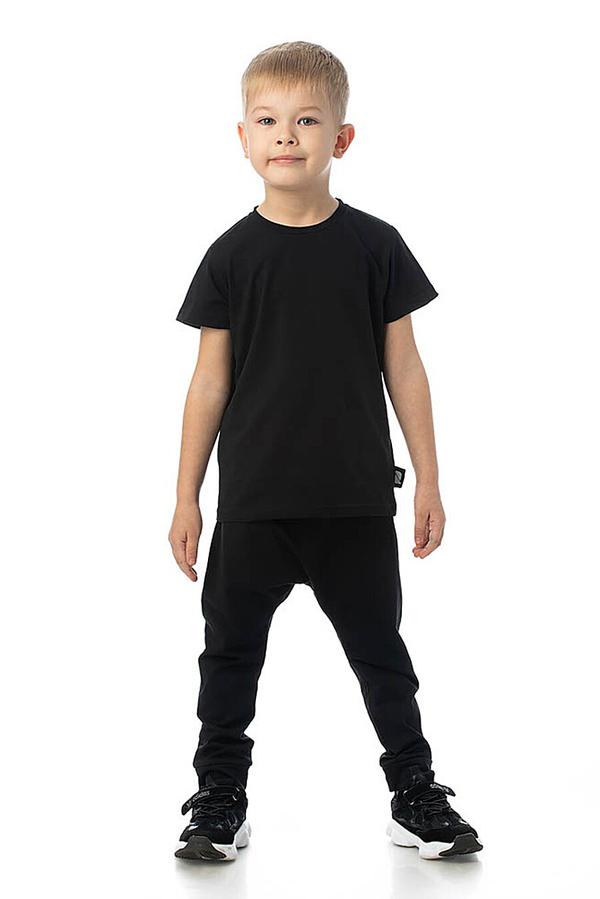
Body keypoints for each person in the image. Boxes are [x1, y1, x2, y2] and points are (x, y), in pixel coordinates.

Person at [169, 40, 483, 862]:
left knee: (383, 656)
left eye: (307, 121)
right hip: (254, 505)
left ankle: (415, 791)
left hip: (354, 502)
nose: (286, 135)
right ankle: (218, 797)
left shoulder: (376, 246)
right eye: (268, 120)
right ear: (243, 137)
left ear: (341, 138)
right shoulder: (230, 256)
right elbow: (208, 383)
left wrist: (429, 479)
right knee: (229, 657)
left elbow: (405, 368)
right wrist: (186, 495)